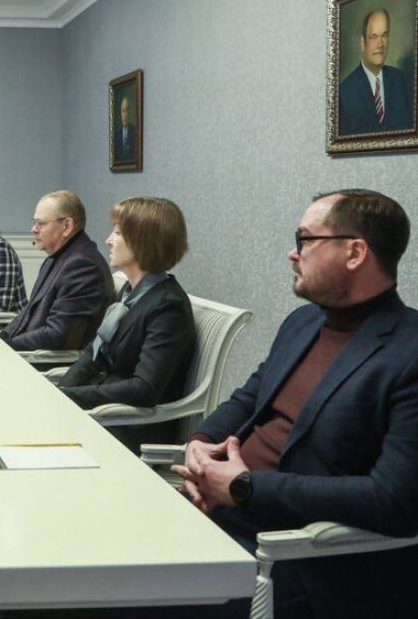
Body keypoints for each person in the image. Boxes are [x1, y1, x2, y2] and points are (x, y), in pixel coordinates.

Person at [174, 189, 418, 618]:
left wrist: (244, 488)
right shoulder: (303, 322)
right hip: (214, 515)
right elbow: (249, 397)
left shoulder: (408, 350)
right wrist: (201, 443)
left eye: (305, 239)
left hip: (297, 561)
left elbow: (393, 500)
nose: (293, 253)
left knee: (90, 597)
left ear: (355, 253)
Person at [57, 197, 195, 453]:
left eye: (118, 233)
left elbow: (144, 388)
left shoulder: (168, 306)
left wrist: (72, 397)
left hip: (129, 427)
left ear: (143, 241)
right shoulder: (132, 292)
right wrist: (61, 391)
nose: (108, 240)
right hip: (104, 414)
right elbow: (94, 354)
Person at [0, 190, 115, 351]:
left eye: (41, 223)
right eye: (34, 222)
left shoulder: (82, 266)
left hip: (43, 362)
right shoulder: (55, 257)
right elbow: (28, 313)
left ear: (67, 226)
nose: (33, 229)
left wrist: (6, 347)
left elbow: (58, 336)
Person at [338, 8, 413, 135]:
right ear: (363, 43)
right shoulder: (345, 92)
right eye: (373, 37)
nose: (380, 44)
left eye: (384, 36)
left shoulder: (401, 80)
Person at [113, 96, 137, 163]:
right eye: (123, 111)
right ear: (121, 114)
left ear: (129, 113)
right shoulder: (116, 136)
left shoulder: (135, 132)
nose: (125, 115)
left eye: (126, 110)